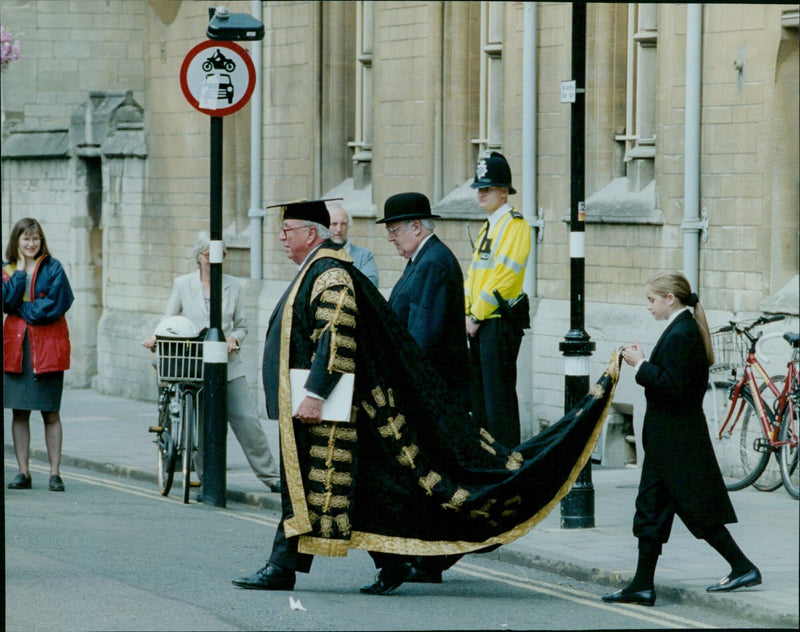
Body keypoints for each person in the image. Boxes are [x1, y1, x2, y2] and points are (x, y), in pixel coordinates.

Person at [232, 198, 623, 597]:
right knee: (355, 485)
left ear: (311, 233)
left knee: (310, 483)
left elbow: (337, 337)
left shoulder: (329, 273)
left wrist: (316, 393)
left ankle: (284, 567)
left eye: (288, 230)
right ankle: (391, 561)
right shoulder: (317, 270)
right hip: (338, 406)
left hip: (331, 405)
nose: (281, 238)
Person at [602, 271, 761, 607]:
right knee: (651, 510)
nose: (649, 307)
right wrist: (646, 361)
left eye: (652, 300)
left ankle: (743, 566)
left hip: (678, 442)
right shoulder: (679, 329)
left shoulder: (683, 332)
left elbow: (675, 388)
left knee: (697, 510)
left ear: (670, 298)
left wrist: (640, 364)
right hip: (668, 441)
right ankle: (642, 585)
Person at [142, 232, 280, 494]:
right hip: (194, 364)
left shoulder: (233, 285)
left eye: (221, 255)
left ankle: (271, 476)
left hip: (228, 363)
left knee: (247, 419)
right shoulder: (183, 284)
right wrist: (155, 338)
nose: (215, 260)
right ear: (199, 256)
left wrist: (233, 339)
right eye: (209, 255)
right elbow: (168, 321)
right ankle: (207, 478)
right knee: (204, 425)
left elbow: (242, 326)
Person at [377, 192, 468, 410]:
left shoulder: (432, 262)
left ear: (416, 227)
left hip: (435, 387)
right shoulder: (421, 258)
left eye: (393, 231)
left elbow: (423, 332)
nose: (390, 238)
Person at [464, 151, 531, 448]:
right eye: (479, 188)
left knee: (498, 402)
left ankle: (506, 464)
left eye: (487, 188)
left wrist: (476, 315)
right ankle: (488, 463)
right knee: (481, 402)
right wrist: (467, 313)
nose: (481, 193)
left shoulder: (515, 225)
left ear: (504, 192)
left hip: (498, 321)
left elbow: (504, 277)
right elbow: (474, 275)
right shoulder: (488, 226)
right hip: (480, 322)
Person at [3, 217, 74, 492]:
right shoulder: (7, 269)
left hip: (48, 347)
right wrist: (20, 272)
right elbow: (6, 301)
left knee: (50, 412)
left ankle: (55, 474)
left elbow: (55, 305)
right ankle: (23, 472)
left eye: (36, 239)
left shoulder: (54, 267)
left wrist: (22, 310)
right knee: (19, 413)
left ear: (41, 241)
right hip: (17, 348)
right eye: (26, 239)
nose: (31, 244)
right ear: (17, 242)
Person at [328, 202, 379, 286]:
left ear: (349, 225)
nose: (339, 229)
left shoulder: (364, 256)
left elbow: (370, 286)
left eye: (343, 224)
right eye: (334, 224)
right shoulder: (316, 254)